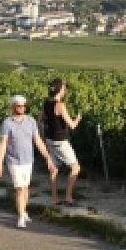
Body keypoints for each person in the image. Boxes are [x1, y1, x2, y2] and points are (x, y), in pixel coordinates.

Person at [0, 94, 56, 228]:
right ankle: (21, 216)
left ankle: (23, 210)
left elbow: (38, 140)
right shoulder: (7, 123)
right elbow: (3, 143)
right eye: (18, 106)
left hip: (28, 160)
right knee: (20, 189)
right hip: (14, 161)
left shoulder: (31, 121)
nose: (21, 108)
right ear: (13, 107)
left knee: (26, 188)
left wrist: (48, 157)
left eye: (23, 106)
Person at [41, 78, 83, 206]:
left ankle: (54, 199)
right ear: (60, 90)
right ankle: (68, 197)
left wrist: (43, 137)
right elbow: (72, 125)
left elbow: (40, 120)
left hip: (50, 140)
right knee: (75, 168)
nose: (65, 90)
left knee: (53, 169)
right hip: (61, 141)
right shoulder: (60, 105)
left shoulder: (46, 103)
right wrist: (78, 119)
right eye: (64, 88)